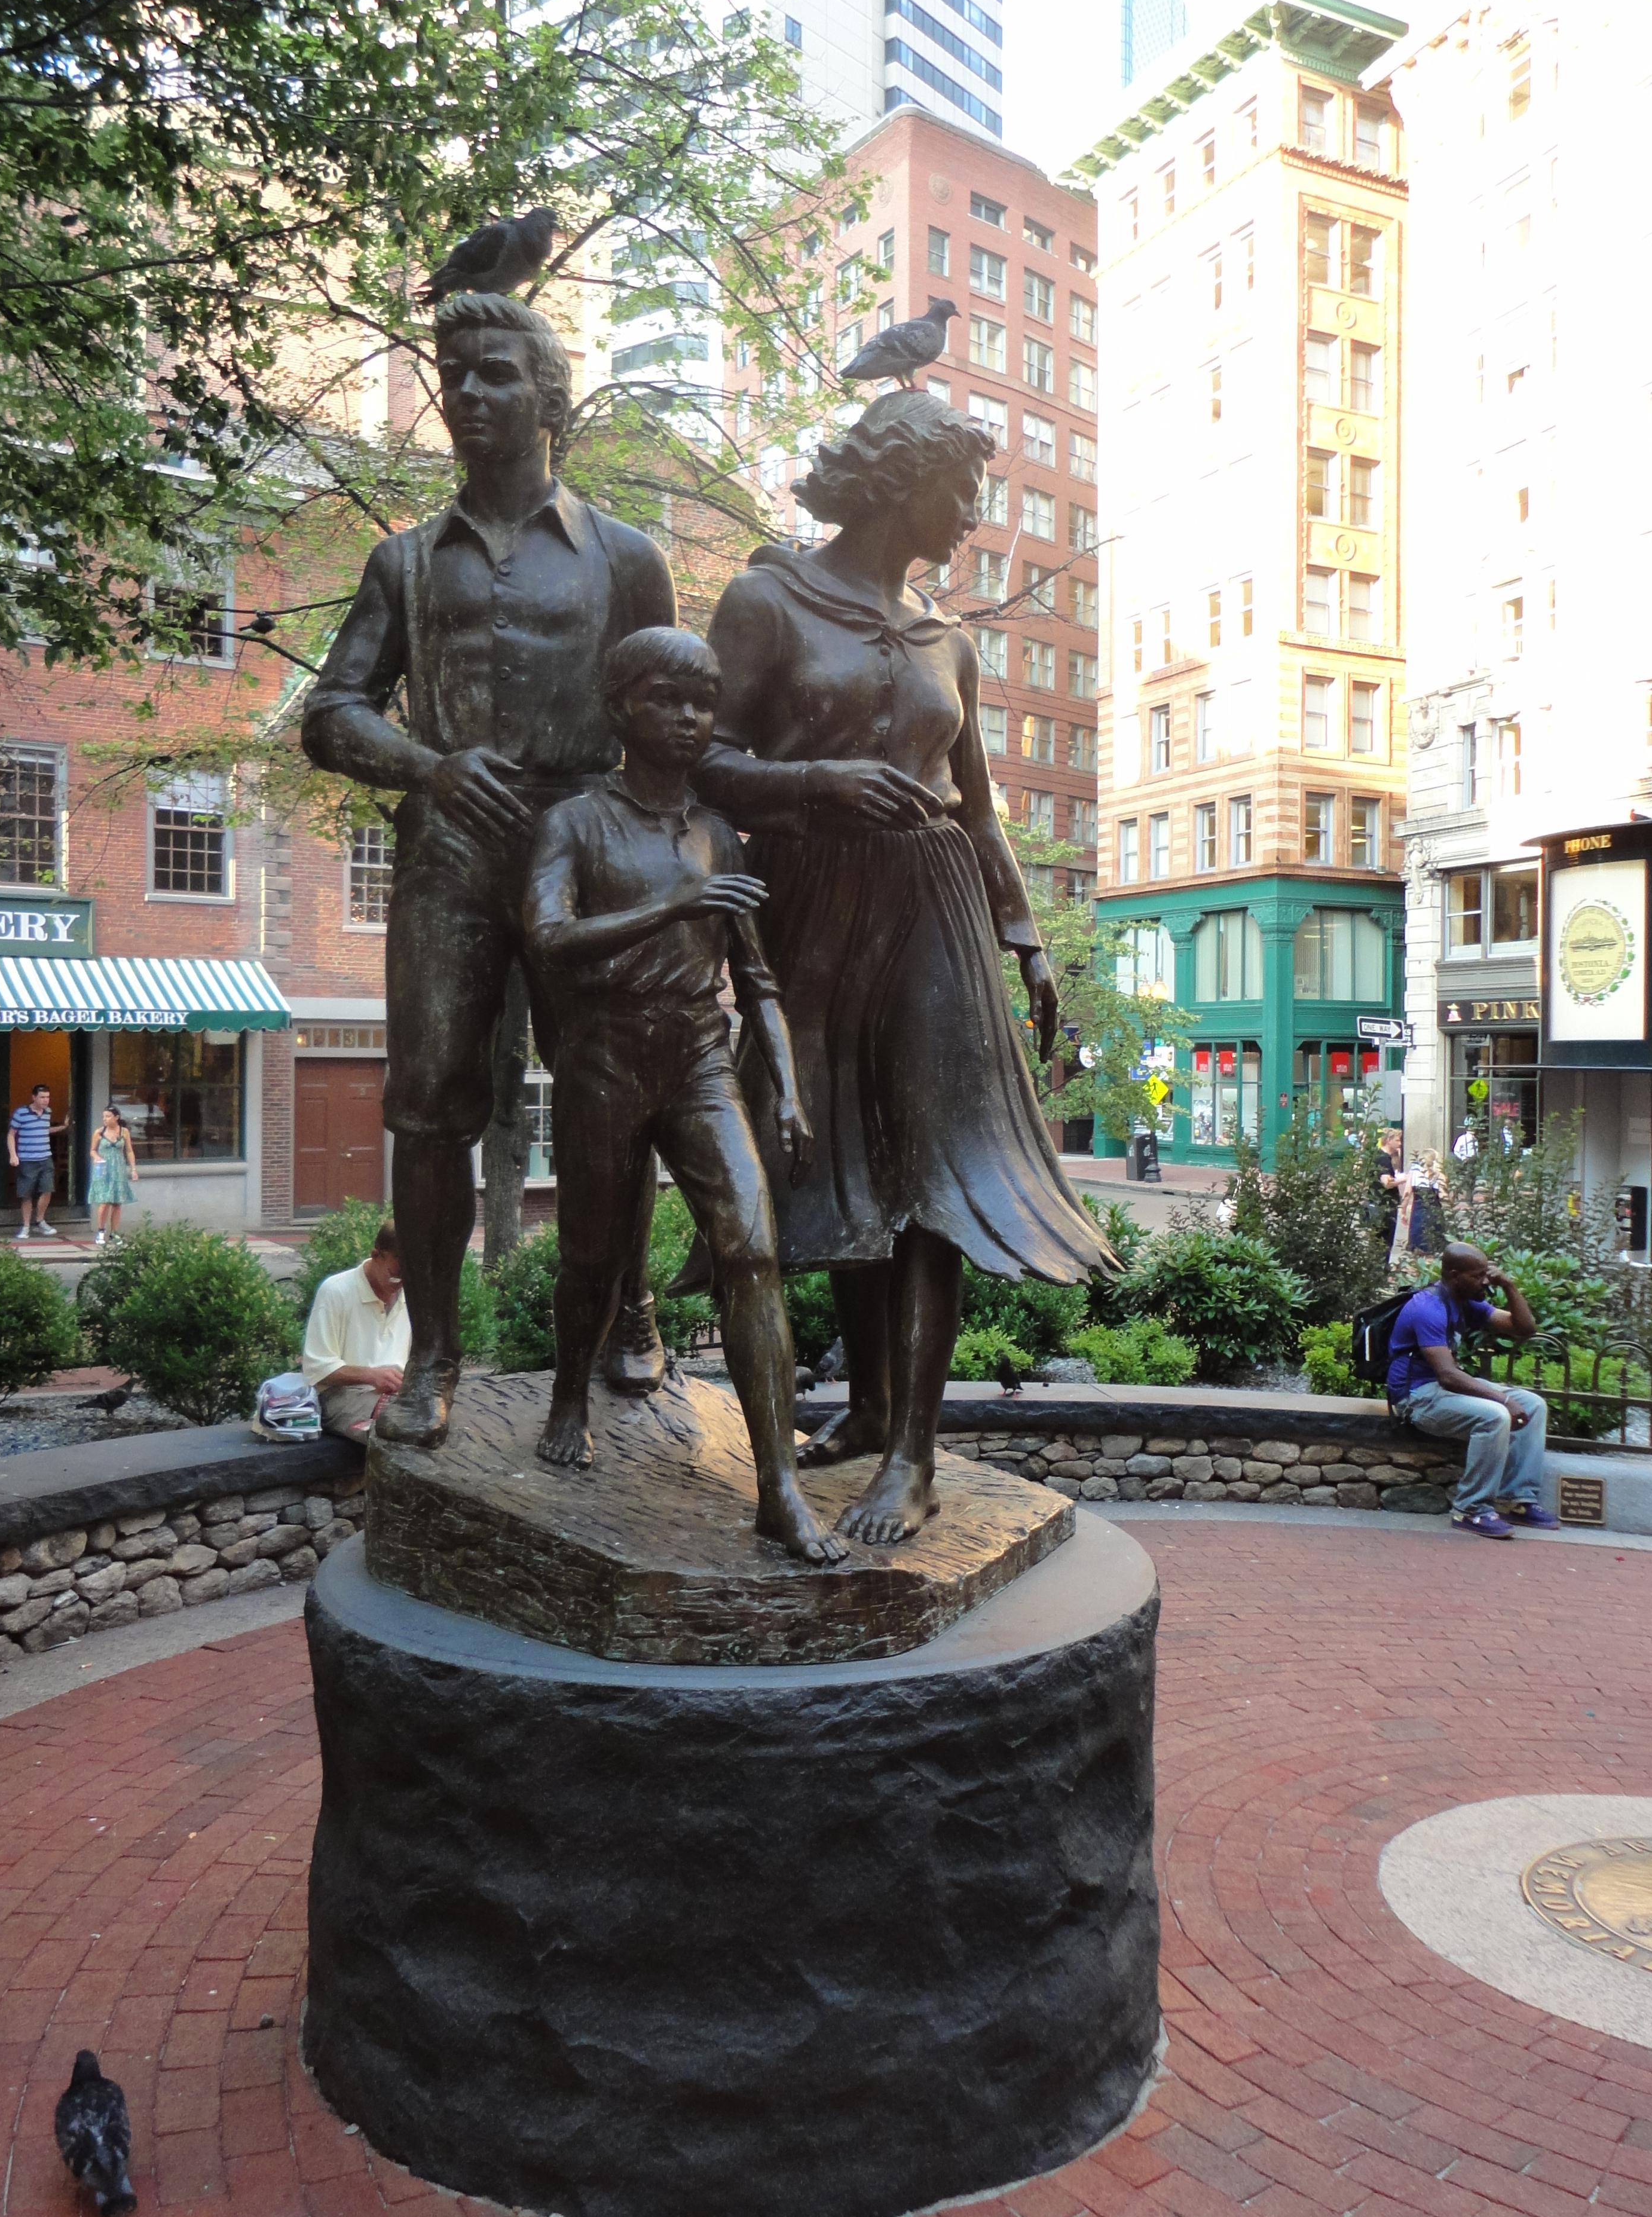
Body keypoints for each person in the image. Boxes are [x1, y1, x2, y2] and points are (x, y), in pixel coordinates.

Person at [697, 391, 1114, 1546]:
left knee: (935, 1163)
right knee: (838, 1160)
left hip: (934, 905)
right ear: (902, 481)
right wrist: (814, 784)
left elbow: (976, 810)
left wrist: (1026, 940)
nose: (974, 514)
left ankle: (915, 1456)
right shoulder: (767, 601)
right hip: (811, 899)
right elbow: (704, 761)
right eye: (964, 489)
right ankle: (874, 1404)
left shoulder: (950, 642)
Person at [302, 288, 678, 1450]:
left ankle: (629, 1312)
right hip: (451, 851)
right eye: (454, 373)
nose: (468, 391)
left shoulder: (627, 558)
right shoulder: (406, 562)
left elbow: (669, 722)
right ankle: (434, 1358)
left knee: (615, 1092)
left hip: (592, 842)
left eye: (497, 372)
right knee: (428, 1109)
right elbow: (330, 712)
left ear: (550, 396)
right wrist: (430, 766)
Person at [524, 628, 845, 1567]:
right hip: (604, 1057)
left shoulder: (718, 834)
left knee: (752, 1250)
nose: (690, 718)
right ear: (620, 706)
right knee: (590, 1258)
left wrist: (787, 1092)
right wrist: (672, 906)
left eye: (703, 702)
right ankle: (570, 1397)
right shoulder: (576, 824)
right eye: (668, 699)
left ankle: (777, 1490)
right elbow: (548, 937)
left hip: (701, 1058)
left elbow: (759, 982)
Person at [1386, 1243, 1555, 1539]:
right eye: (1478, 1276)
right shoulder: (1428, 1308)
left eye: (1486, 1274)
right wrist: (1503, 1400)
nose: (1485, 1282)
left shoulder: (1464, 1303)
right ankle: (1471, 1509)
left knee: (1534, 1405)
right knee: (1495, 1416)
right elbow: (1448, 1375)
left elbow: (1524, 1328)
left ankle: (1517, 1500)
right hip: (1416, 1397)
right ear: (1455, 1276)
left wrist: (1509, 1286)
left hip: (1441, 1390)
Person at [301, 1222, 412, 1442]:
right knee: (399, 1426)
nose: (400, 1284)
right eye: (395, 1276)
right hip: (343, 1394)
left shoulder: (411, 1293)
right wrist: (372, 1375)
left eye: (409, 1277)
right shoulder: (336, 1291)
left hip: (397, 1393)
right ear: (376, 1256)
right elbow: (317, 1369)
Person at [8, 1083, 69, 1241]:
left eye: (48, 1097)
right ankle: (26, 1227)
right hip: (27, 1160)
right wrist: (13, 1155)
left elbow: (44, 1130)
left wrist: (62, 1127)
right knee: (27, 1194)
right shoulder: (21, 1113)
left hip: (45, 1158)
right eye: (42, 1097)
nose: (46, 1100)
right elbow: (11, 1134)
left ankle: (40, 1221)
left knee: (48, 1190)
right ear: (34, 1097)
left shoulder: (48, 1112)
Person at [85, 1105, 137, 1244]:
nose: (105, 1119)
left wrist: (133, 1169)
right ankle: (101, 1231)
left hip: (118, 1169)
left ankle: (114, 1233)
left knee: (117, 1203)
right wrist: (97, 1157)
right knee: (104, 1202)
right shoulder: (99, 1132)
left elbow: (129, 1151)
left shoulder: (124, 1132)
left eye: (108, 1116)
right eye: (104, 1117)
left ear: (116, 1118)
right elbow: (92, 1150)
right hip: (103, 1169)